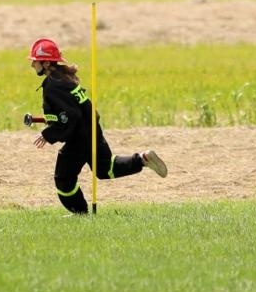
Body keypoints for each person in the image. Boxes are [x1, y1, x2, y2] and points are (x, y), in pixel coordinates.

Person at [26, 37, 167, 214]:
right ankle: (142, 159)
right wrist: (50, 122)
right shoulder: (64, 79)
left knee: (64, 179)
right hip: (92, 131)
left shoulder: (54, 86)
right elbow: (72, 112)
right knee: (105, 168)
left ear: (46, 63)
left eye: (35, 61)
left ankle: (80, 214)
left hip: (80, 138)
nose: (32, 65)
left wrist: (49, 134)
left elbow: (69, 117)